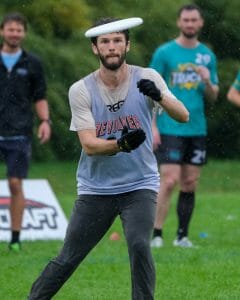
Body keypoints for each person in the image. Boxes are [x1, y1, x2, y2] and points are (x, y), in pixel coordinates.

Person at [28, 17, 189, 300]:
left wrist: (160, 96)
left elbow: (183, 115)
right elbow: (89, 144)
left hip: (140, 184)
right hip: (96, 188)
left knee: (140, 245)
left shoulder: (148, 76)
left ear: (127, 44)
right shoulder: (81, 89)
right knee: (68, 257)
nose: (112, 47)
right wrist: (122, 144)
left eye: (117, 40)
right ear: (95, 48)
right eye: (105, 42)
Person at [150, 4, 219, 248]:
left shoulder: (207, 56)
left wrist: (207, 81)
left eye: (194, 20)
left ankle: (182, 236)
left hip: (196, 128)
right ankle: (156, 235)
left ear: (200, 23)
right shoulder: (164, 53)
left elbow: (213, 96)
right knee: (169, 180)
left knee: (190, 182)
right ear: (179, 23)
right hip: (169, 126)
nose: (190, 24)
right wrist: (153, 127)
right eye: (186, 20)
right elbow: (151, 91)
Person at [0, 12, 51, 251]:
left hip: (19, 132)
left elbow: (39, 96)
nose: (14, 33)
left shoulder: (33, 63)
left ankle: (15, 239)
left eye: (19, 30)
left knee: (15, 184)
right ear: (2, 31)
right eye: (10, 29)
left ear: (24, 33)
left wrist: (45, 121)